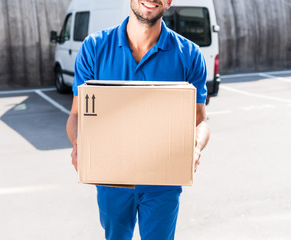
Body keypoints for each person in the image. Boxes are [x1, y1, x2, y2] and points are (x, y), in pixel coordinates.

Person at [66, 0, 210, 239]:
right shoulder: (95, 47)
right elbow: (76, 115)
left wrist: (195, 147)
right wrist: (80, 145)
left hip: (164, 179)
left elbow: (200, 121)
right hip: (111, 178)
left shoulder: (189, 55)